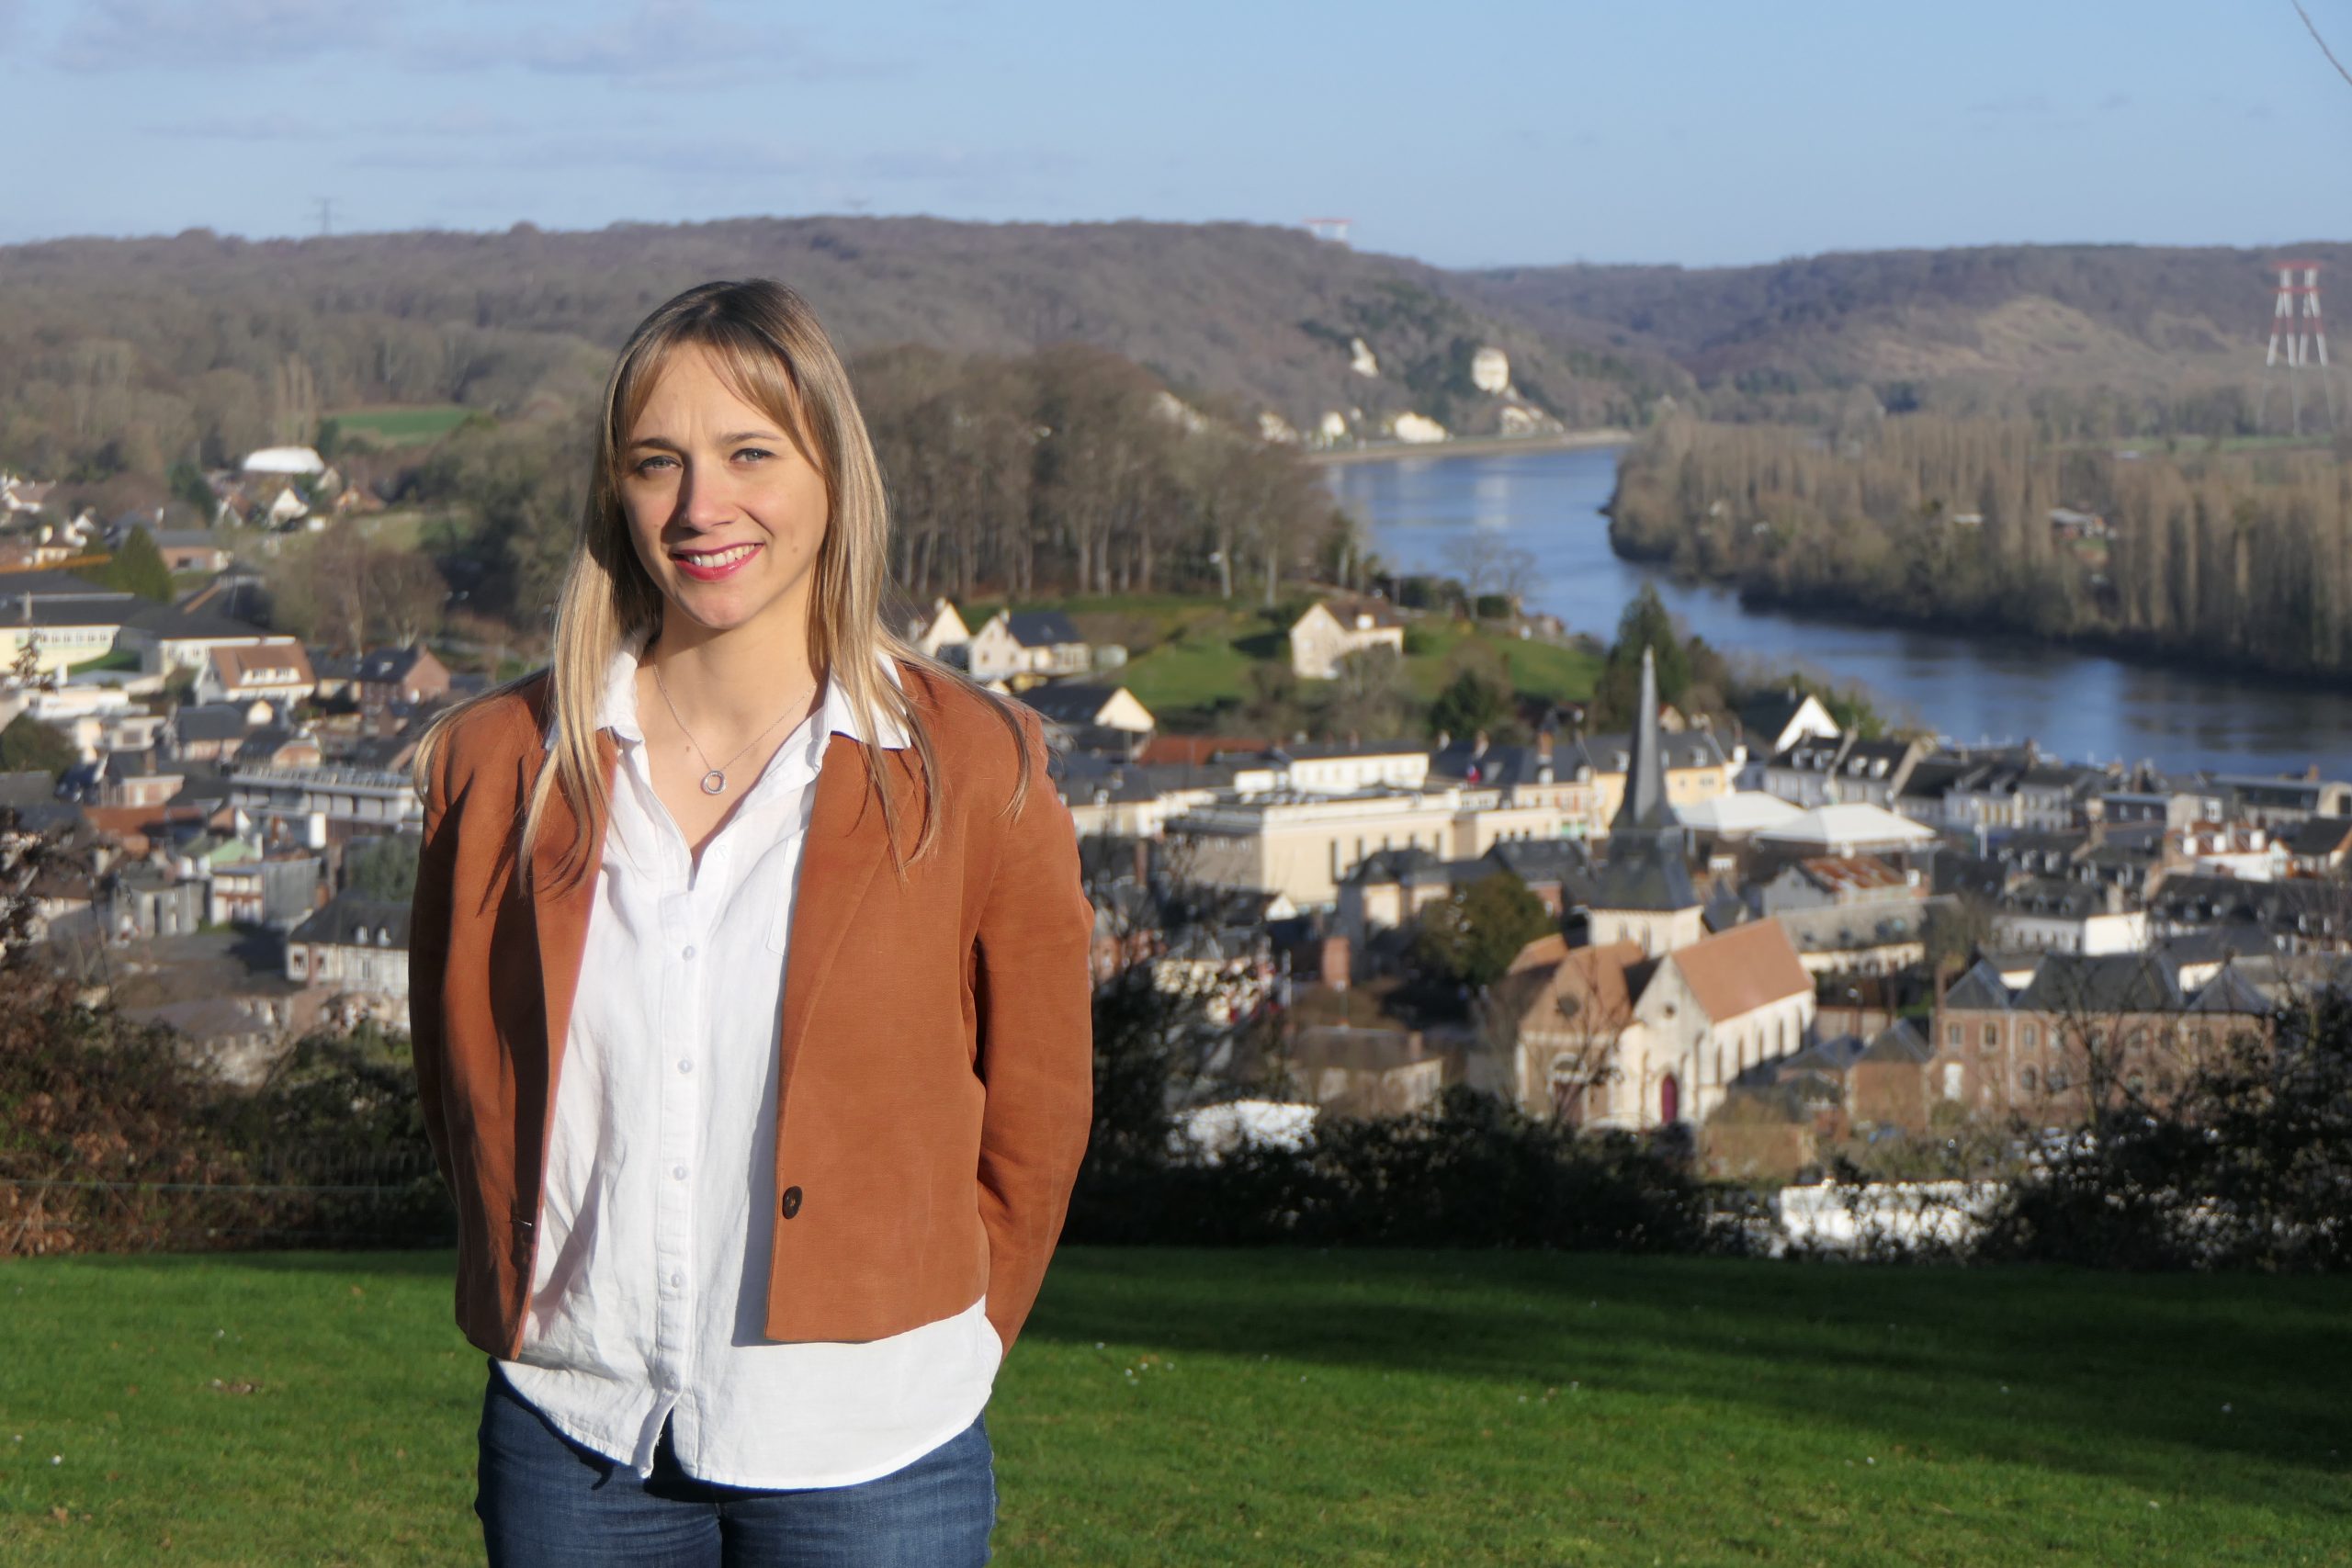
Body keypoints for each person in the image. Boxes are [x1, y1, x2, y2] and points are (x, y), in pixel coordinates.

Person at [405, 277, 1095, 1566]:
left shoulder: (974, 768)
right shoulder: (498, 765)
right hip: (575, 1435)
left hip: (875, 1448)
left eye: (750, 454)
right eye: (655, 462)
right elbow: (466, 1088)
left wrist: (952, 1335)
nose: (700, 506)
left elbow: (1038, 1115)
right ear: (615, 493)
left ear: (833, 474)